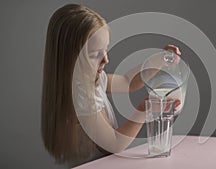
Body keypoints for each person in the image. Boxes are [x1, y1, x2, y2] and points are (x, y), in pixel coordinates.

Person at [41, 4, 181, 167]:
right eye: (95, 54)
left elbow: (128, 82)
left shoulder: (93, 78)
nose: (106, 59)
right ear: (70, 59)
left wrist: (159, 60)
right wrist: (145, 109)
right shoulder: (80, 95)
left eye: (105, 49)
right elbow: (114, 144)